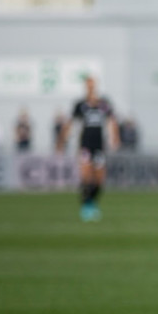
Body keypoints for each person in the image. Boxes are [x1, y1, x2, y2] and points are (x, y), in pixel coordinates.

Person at [58, 76, 119, 222]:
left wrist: (115, 137)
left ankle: (92, 202)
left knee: (99, 180)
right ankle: (86, 206)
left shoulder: (103, 104)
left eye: (93, 84)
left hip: (99, 146)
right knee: (86, 176)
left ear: (96, 86)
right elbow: (70, 123)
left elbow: (112, 121)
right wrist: (62, 141)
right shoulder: (80, 105)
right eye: (88, 85)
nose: (91, 87)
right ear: (86, 86)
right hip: (85, 145)